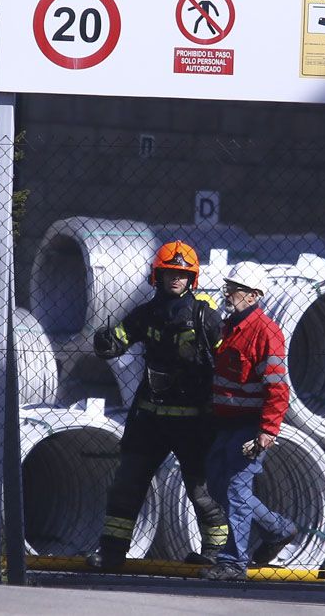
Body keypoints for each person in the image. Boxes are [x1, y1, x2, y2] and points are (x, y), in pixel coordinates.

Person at [85, 240, 229, 570]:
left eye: (181, 274)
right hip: (149, 419)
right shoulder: (146, 313)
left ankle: (217, 556)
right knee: (126, 487)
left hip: (194, 422)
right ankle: (112, 553)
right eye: (168, 273)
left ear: (191, 278)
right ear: (157, 276)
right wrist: (106, 341)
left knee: (202, 494)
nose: (174, 279)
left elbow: (228, 360)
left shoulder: (205, 316)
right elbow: (120, 338)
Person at [200, 262, 297, 582]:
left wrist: (267, 431)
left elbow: (277, 387)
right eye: (229, 287)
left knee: (237, 491)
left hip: (250, 426)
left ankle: (233, 563)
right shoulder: (230, 328)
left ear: (254, 296)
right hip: (224, 424)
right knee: (216, 485)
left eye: (235, 289)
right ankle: (278, 530)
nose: (228, 293)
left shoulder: (267, 333)